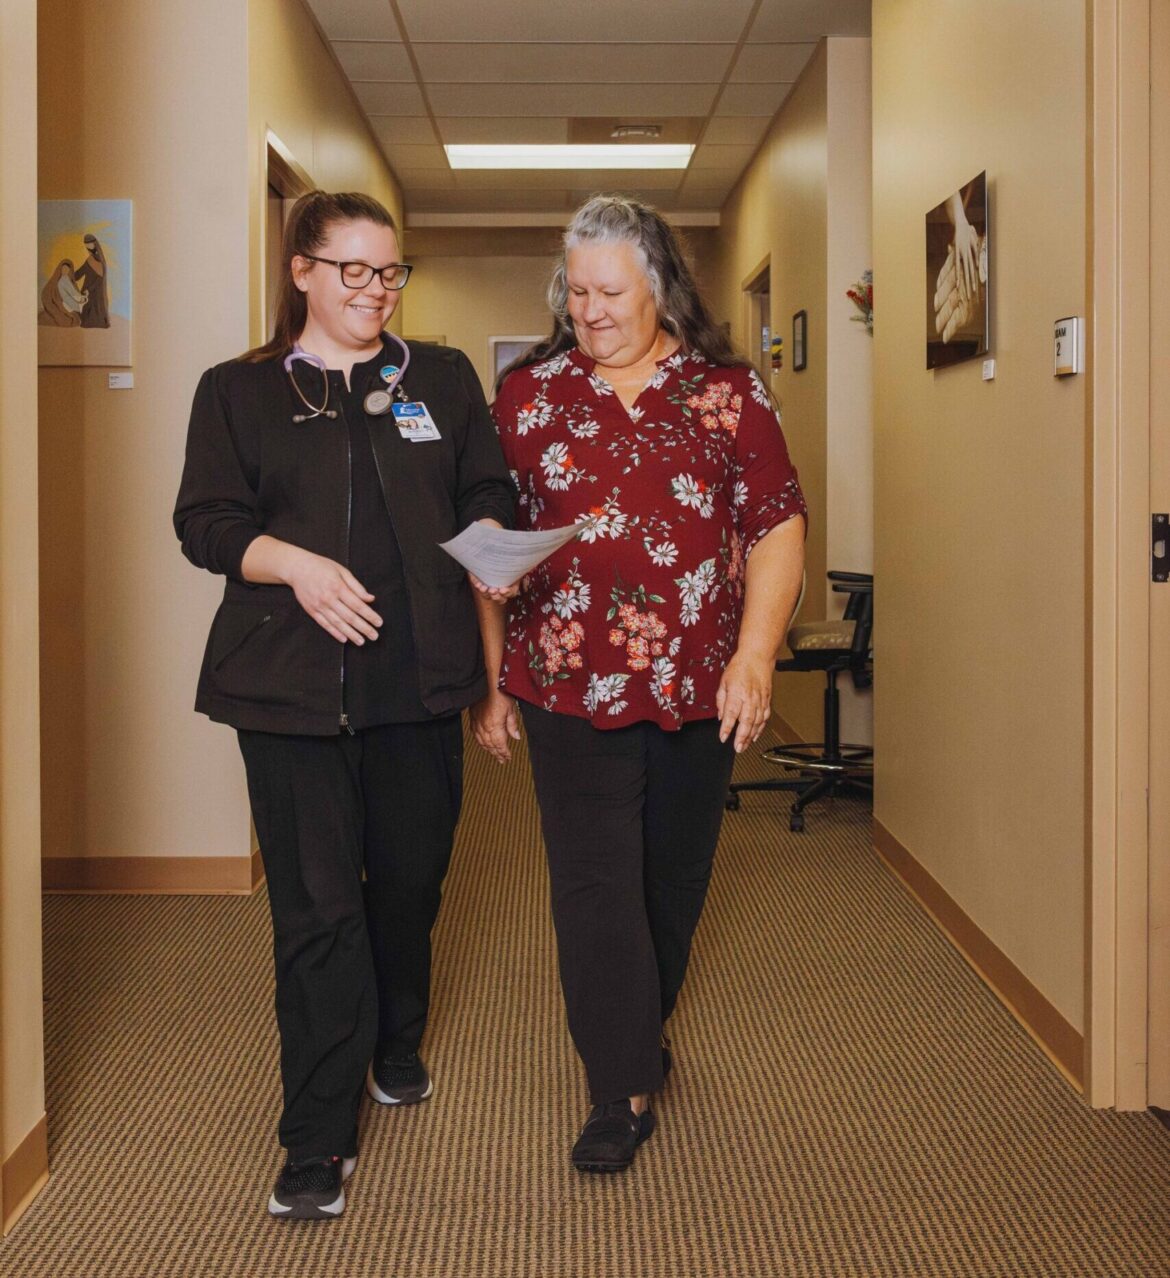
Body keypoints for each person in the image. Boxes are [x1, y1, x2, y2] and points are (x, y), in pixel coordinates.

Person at [174, 190, 516, 1220]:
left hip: (417, 678)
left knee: (408, 885)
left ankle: (395, 1037)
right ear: (302, 272)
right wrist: (292, 566)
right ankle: (316, 1141)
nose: (376, 291)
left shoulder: (441, 378)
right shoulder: (238, 392)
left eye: (390, 272)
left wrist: (495, 556)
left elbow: (486, 492)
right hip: (285, 690)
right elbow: (205, 522)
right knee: (317, 913)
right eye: (355, 271)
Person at [472, 195, 806, 1173]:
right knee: (592, 885)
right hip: (567, 680)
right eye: (576, 291)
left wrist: (756, 653)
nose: (591, 309)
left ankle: (637, 1024)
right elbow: (489, 538)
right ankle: (617, 1087)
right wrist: (490, 674)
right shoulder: (526, 398)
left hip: (701, 682)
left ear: (658, 286)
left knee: (672, 880)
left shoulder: (729, 395)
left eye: (610, 290)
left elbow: (777, 524)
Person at [75, 233, 110, 328]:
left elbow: (100, 279)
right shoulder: (89, 260)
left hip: (96, 290)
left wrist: (89, 289)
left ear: (95, 244)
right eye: (86, 246)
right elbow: (79, 273)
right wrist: (68, 275)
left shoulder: (100, 260)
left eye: (89, 244)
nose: (88, 248)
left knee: (96, 309)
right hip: (87, 288)